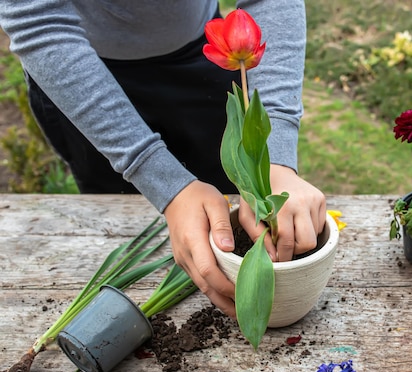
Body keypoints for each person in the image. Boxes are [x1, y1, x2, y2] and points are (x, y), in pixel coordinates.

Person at [0, 0, 326, 319]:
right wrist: (162, 181)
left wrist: (275, 154)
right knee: (125, 223)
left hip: (202, 55)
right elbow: (35, 17)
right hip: (78, 79)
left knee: (230, 206)